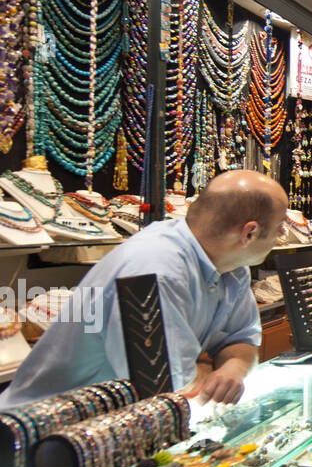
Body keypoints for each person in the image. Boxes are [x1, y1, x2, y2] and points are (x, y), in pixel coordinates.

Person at [0, 171, 288, 410]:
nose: (282, 235)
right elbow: (168, 390)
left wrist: (232, 369)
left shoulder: (232, 266)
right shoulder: (152, 269)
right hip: (41, 437)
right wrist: (211, 373)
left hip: (121, 422)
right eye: (279, 226)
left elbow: (241, 340)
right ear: (248, 233)